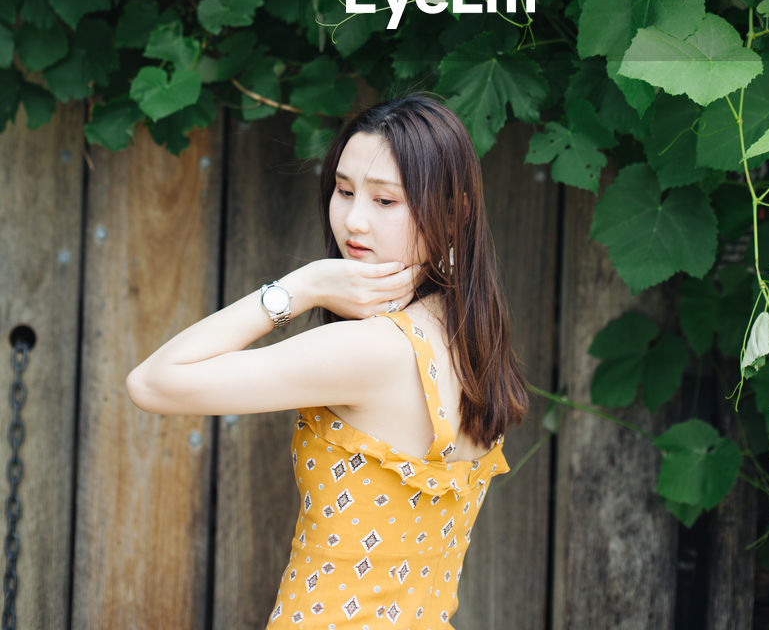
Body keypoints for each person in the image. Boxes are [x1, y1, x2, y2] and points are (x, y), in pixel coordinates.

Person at [126, 92, 529, 628]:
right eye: (343, 191)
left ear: (453, 216)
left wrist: (301, 285)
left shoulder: (371, 350)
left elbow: (153, 383)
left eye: (385, 201)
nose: (354, 221)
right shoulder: (472, 343)